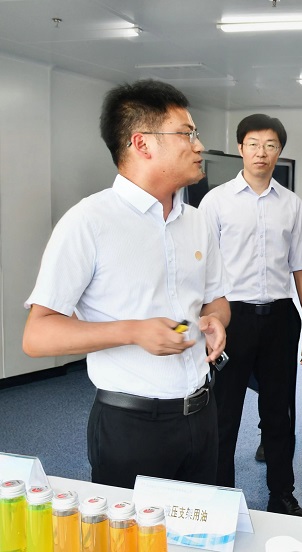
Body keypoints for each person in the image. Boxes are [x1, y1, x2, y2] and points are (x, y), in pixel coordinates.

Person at [22, 79, 230, 489]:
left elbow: (216, 300)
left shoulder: (198, 221)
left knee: (198, 523)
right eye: (187, 134)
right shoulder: (88, 222)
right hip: (131, 425)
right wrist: (133, 332)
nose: (199, 146)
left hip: (202, 413)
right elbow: (38, 336)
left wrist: (216, 321)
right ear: (142, 143)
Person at [199, 114, 302, 516]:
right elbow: (201, 268)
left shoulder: (292, 205)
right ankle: (221, 499)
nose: (261, 152)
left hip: (281, 318)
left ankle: (282, 494)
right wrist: (206, 322)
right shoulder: (216, 202)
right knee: (224, 413)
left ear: (279, 151)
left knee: (280, 413)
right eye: (253, 144)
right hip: (231, 317)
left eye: (270, 145)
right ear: (240, 148)